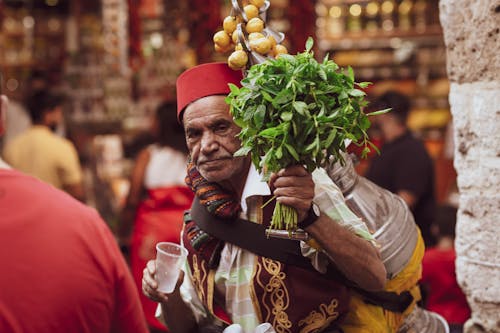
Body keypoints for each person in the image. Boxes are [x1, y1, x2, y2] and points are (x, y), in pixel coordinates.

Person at [141, 63, 435, 333]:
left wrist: (310, 217)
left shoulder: (297, 182)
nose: (206, 145)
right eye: (194, 133)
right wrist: (167, 295)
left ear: (249, 130)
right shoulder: (199, 215)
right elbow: (186, 326)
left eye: (221, 127)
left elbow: (373, 276)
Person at [0, 92, 149, 333]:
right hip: (56, 236)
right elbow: (78, 191)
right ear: (2, 114)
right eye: (58, 111)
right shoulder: (86, 226)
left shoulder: (15, 147)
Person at [120, 101, 194, 332]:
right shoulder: (192, 155)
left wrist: (123, 226)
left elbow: (132, 197)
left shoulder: (149, 155)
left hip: (152, 235)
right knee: (187, 281)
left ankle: (152, 325)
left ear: (159, 125)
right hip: (186, 228)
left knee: (150, 281)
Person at [365, 91, 436, 247]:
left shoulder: (412, 150)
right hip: (386, 238)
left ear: (384, 114)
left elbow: (404, 202)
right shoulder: (388, 147)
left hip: (405, 246)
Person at [2, 89, 85, 201]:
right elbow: (77, 192)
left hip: (21, 215)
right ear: (48, 114)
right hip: (55, 214)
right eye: (58, 112)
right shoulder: (62, 147)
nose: (60, 118)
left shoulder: (11, 148)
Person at [421, 205, 471, 333]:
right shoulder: (465, 258)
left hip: (435, 320)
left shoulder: (427, 258)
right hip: (463, 321)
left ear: (435, 229)